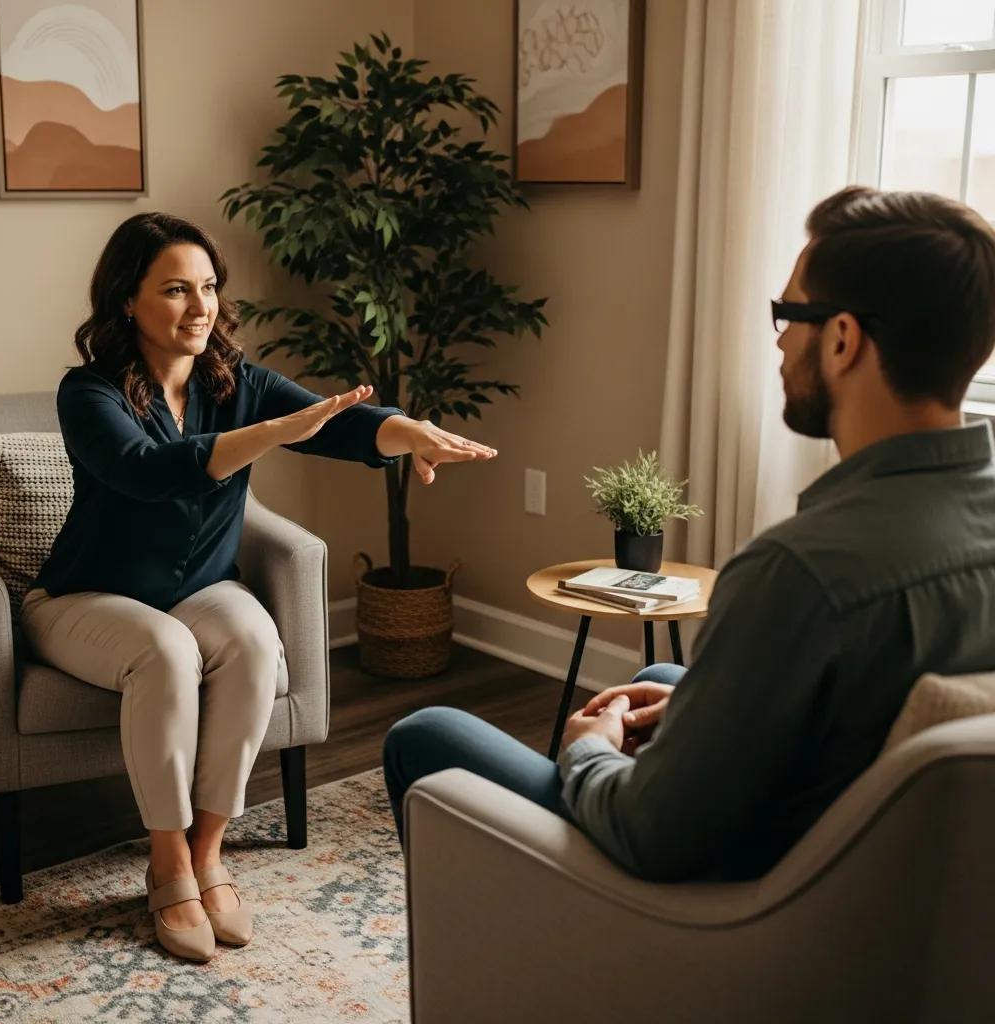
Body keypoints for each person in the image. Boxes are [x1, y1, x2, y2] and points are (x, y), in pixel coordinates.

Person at [384, 185, 995, 881]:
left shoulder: (800, 572)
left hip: (741, 920)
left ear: (844, 339)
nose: (780, 342)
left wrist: (587, 748)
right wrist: (709, 703)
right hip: (879, 879)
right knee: (660, 678)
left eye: (787, 314)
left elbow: (649, 833)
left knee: (426, 737)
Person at [20, 212, 497, 962]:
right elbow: (146, 470)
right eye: (176, 289)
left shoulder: (235, 383)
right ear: (127, 301)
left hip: (198, 588)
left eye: (208, 287)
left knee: (251, 638)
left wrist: (409, 433)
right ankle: (168, 861)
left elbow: (338, 424)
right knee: (167, 652)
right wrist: (274, 432)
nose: (200, 306)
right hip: (85, 598)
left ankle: (209, 851)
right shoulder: (88, 392)